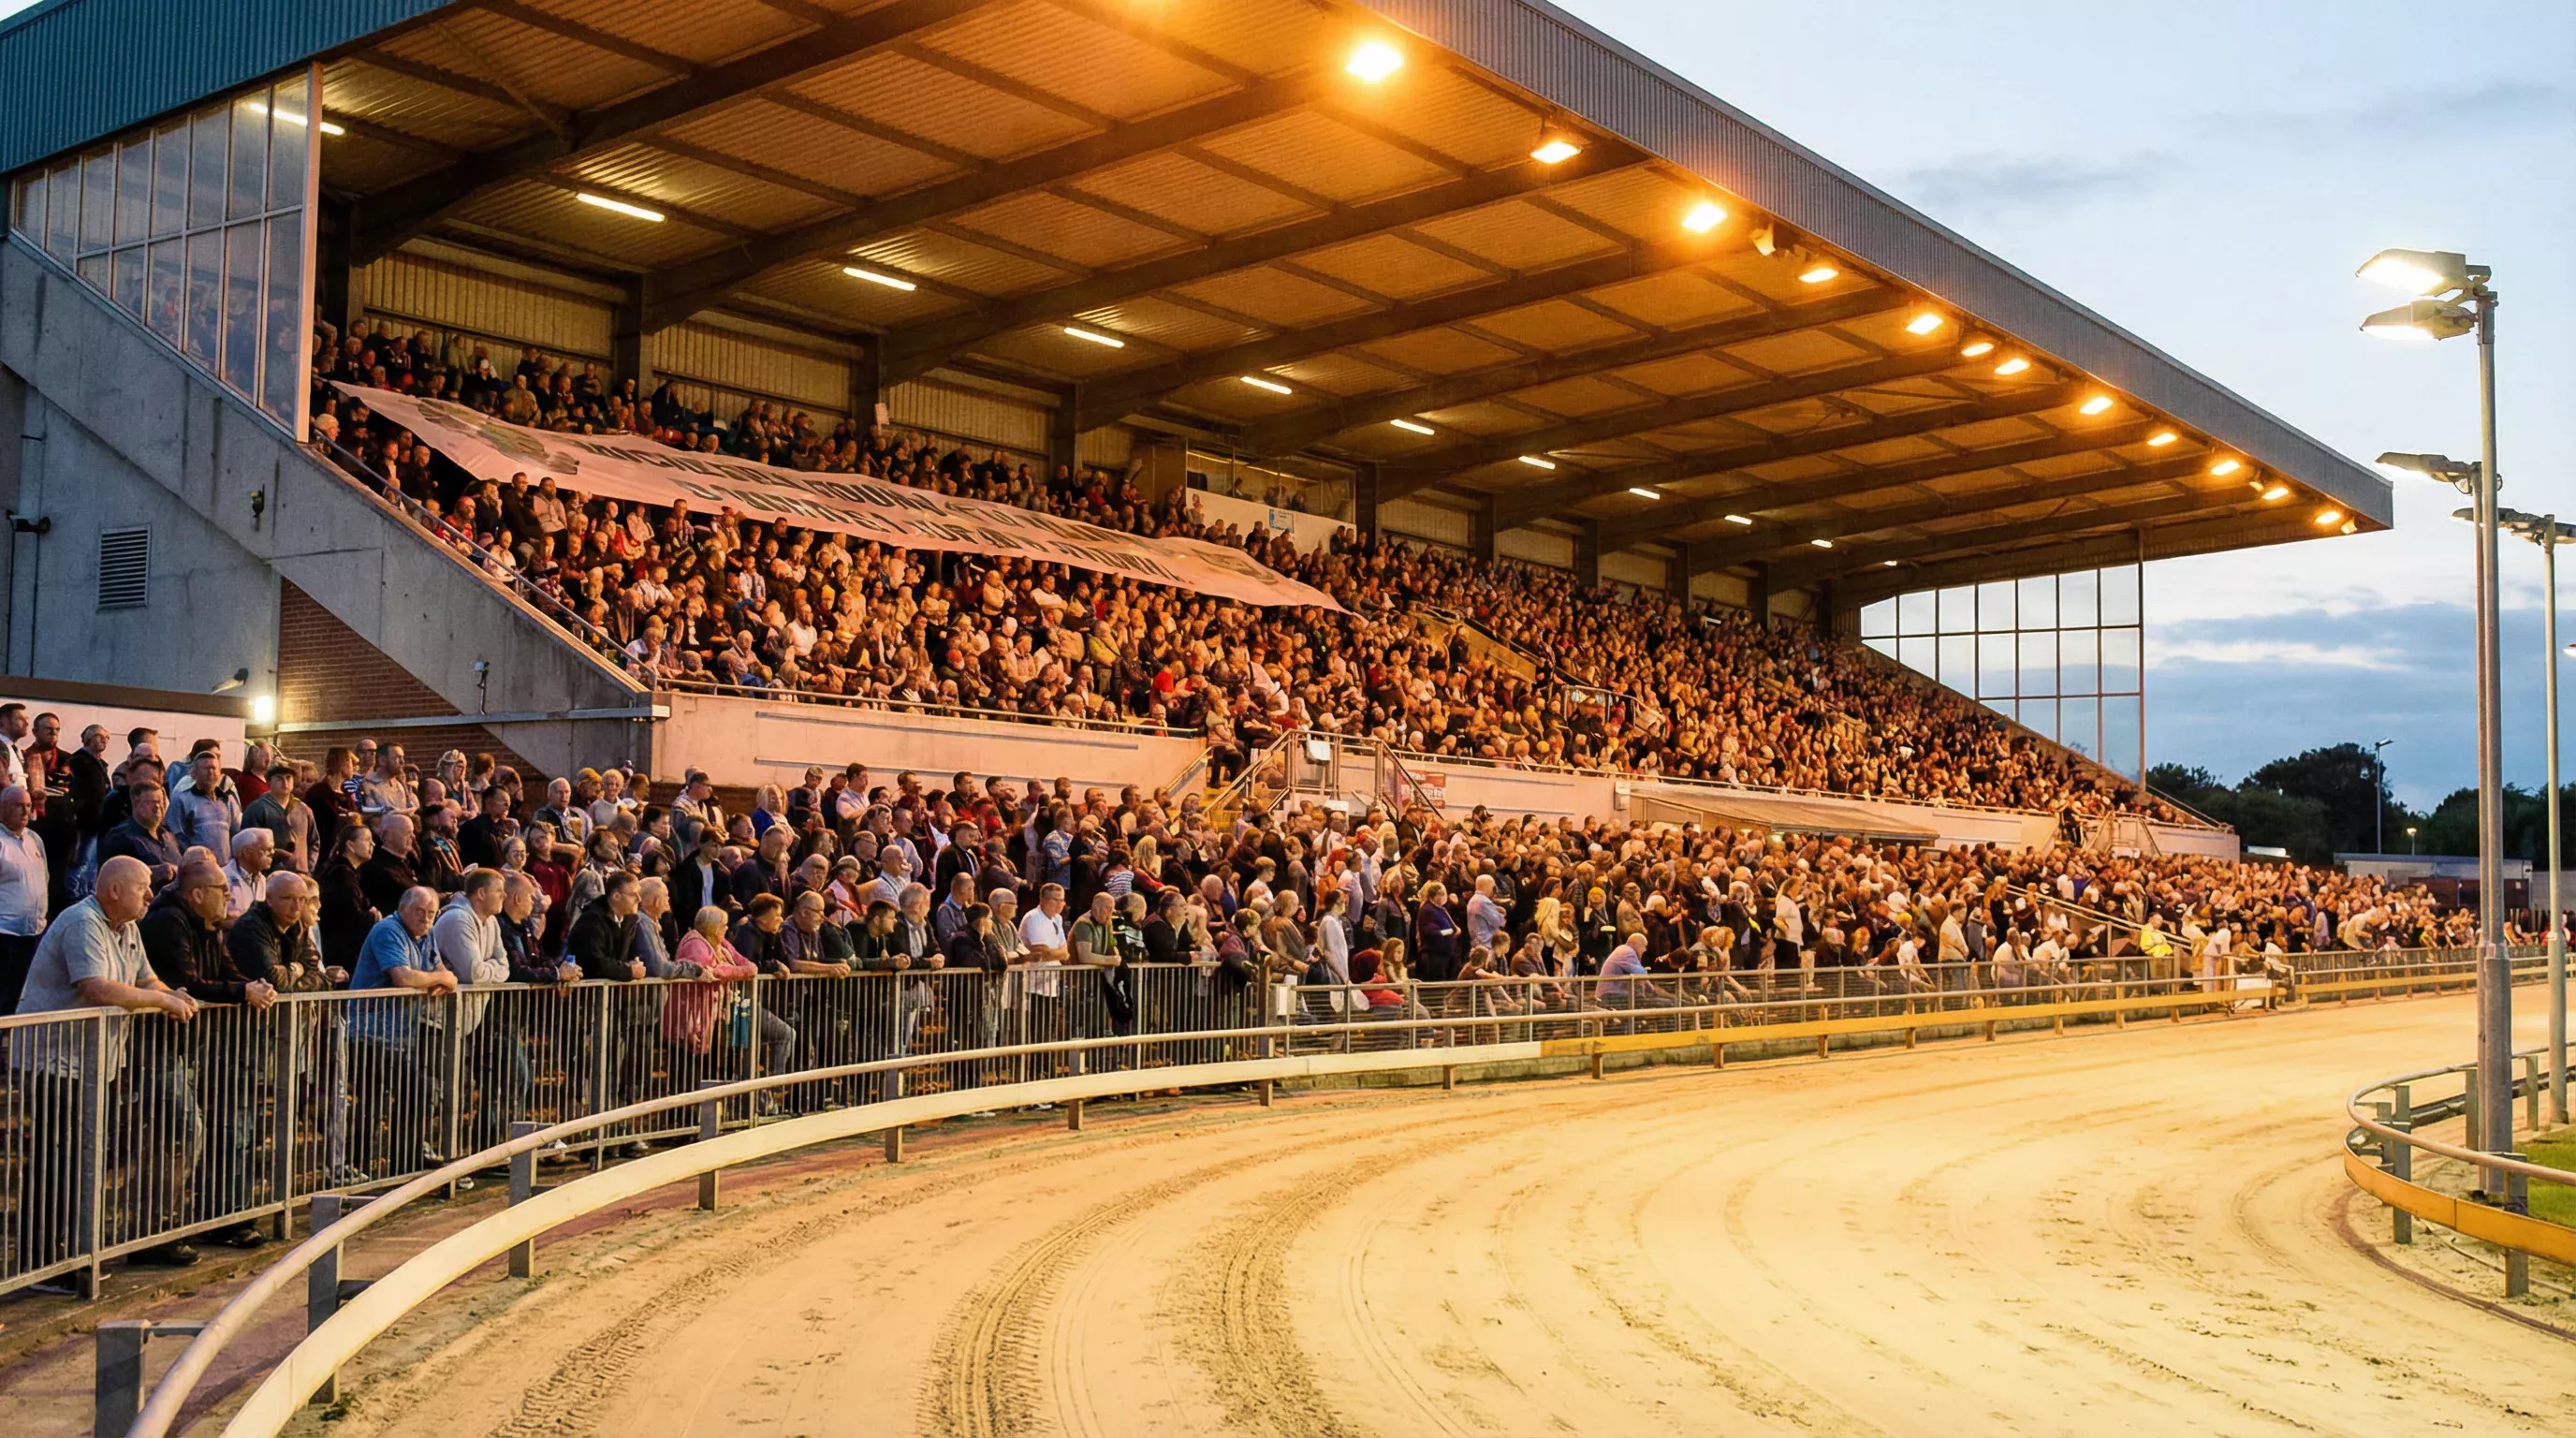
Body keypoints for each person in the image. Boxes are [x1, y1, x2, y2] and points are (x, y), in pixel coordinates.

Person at [10, 857, 200, 1284]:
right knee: (53, 1161)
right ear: (114, 889)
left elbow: (147, 979)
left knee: (80, 1158)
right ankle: (41, 1262)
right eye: (143, 888)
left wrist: (175, 996)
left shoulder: (128, 929)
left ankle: (70, 1255)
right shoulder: (83, 922)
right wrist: (163, 1002)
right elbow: (95, 987)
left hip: (95, 1063)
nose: (150, 896)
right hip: (53, 1062)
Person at [139, 858, 277, 1249]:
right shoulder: (169, 922)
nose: (230, 895)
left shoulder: (209, 926)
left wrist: (255, 988)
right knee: (182, 1134)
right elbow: (185, 982)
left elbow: (227, 974)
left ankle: (195, 1224)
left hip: (187, 1048)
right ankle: (154, 1234)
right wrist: (241, 993)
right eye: (222, 890)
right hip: (155, 1047)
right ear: (197, 894)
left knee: (200, 1133)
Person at [347, 886, 454, 1176]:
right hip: (368, 1033)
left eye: (431, 914)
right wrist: (437, 978)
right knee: (396, 1094)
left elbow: (443, 971)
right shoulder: (388, 930)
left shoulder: (426, 934)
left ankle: (398, 1161)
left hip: (398, 1035)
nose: (426, 919)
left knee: (403, 1094)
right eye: (420, 912)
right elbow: (402, 976)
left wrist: (439, 977)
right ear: (403, 907)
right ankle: (361, 1165)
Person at [0, 783, 48, 1013]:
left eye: (28, 806)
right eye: (19, 805)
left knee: (24, 995)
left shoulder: (34, 839)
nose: (26, 811)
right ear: (2, 808)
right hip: (5, 934)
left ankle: (14, 1045)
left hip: (33, 933)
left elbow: (45, 876)